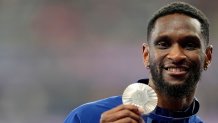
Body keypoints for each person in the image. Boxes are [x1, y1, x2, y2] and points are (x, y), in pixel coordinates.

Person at [64, 1, 213, 123]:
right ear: (146, 55)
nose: (176, 55)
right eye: (163, 44)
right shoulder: (86, 117)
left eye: (189, 45)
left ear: (208, 57)